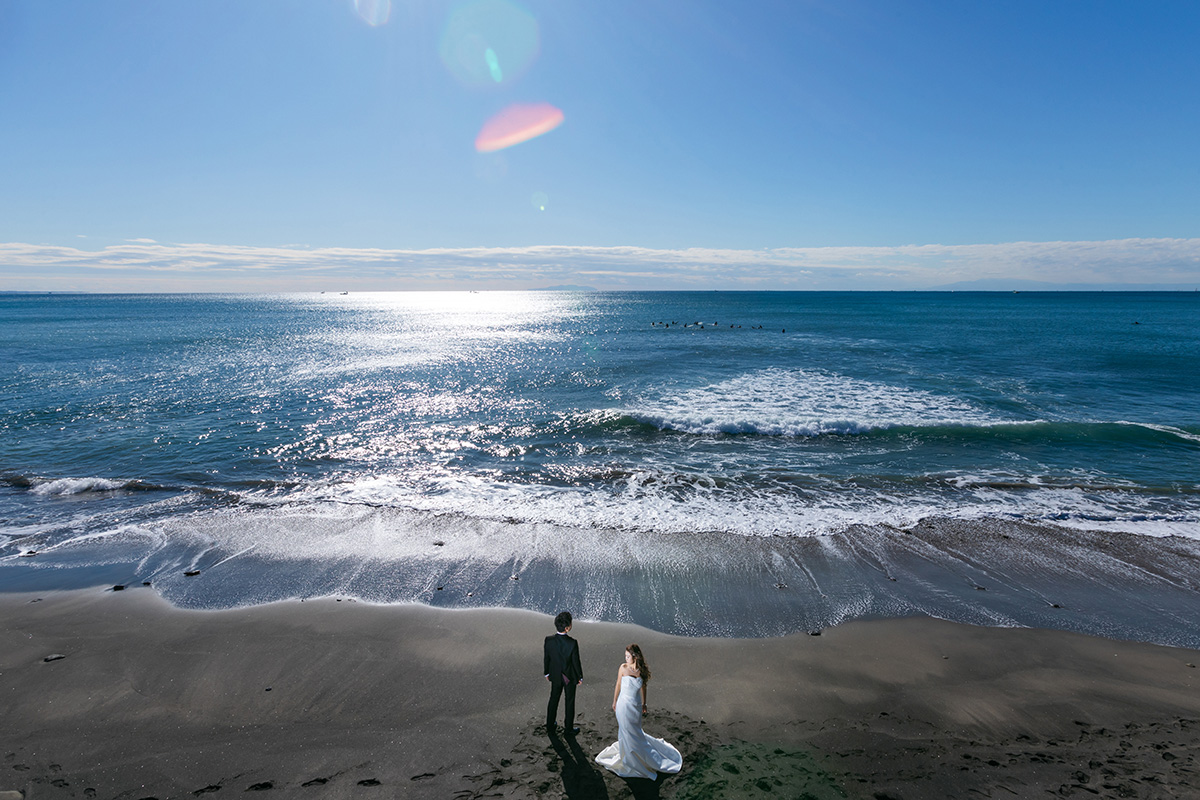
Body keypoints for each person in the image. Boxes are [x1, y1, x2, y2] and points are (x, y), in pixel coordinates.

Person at [595, 644, 682, 779]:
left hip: (635, 707)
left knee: (635, 732)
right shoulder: (623, 668)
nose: (626, 658)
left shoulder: (641, 671)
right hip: (623, 705)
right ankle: (629, 758)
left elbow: (644, 688)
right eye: (625, 656)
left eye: (628, 656)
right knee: (626, 731)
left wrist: (644, 703)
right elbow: (618, 684)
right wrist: (614, 701)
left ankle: (639, 756)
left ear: (635, 657)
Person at [544, 611, 583, 735]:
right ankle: (568, 729)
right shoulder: (572, 643)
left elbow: (547, 658)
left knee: (553, 699)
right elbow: (576, 662)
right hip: (569, 677)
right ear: (567, 628)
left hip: (555, 675)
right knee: (569, 702)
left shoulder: (549, 640)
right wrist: (580, 677)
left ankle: (550, 725)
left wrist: (547, 673)